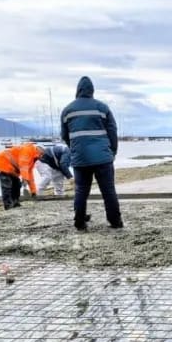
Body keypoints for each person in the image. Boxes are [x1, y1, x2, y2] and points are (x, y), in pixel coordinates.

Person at [60, 76, 123, 231]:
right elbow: (112, 131)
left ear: (77, 90)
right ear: (92, 90)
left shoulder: (67, 110)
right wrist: (112, 151)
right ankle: (115, 222)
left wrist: (74, 149)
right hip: (103, 157)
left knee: (81, 190)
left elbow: (64, 135)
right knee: (108, 190)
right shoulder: (102, 108)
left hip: (80, 158)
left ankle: (79, 222)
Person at [0, 143, 44, 209]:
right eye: (41, 154)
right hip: (2, 163)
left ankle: (15, 202)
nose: (41, 156)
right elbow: (23, 164)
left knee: (17, 184)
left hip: (11, 168)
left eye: (42, 155)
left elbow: (30, 175)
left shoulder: (32, 159)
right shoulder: (28, 149)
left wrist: (33, 192)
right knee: (7, 185)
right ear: (38, 150)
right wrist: (24, 179)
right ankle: (8, 205)